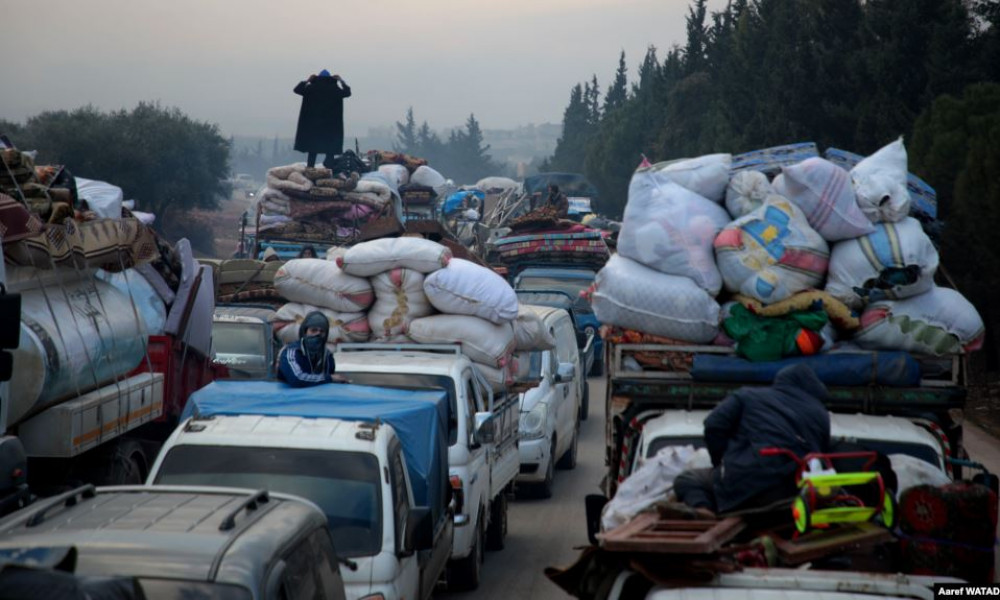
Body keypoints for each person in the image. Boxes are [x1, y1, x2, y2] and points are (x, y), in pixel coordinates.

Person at [673, 364, 831, 515]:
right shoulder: (821, 413)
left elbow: (713, 425)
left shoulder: (747, 396)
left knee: (687, 479)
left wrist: (719, 463)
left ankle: (703, 510)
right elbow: (822, 455)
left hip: (744, 483)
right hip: (794, 489)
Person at [293, 70, 352, 169]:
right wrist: (341, 81)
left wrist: (307, 80)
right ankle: (329, 171)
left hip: (313, 126)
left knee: (312, 149)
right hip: (330, 127)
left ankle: (310, 169)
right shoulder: (335, 89)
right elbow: (347, 93)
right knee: (330, 150)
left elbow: (297, 90)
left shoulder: (311, 88)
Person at [277, 311, 337, 387]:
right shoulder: (291, 352)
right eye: (313, 330)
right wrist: (329, 378)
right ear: (305, 332)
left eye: (322, 331)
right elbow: (296, 379)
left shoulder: (327, 355)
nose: (317, 334)